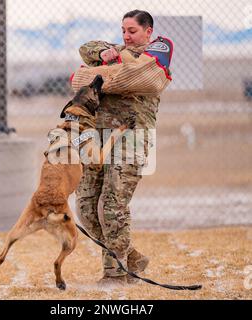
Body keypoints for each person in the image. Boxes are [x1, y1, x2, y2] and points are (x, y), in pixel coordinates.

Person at [76, 9, 160, 285]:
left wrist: (100, 74)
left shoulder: (155, 56)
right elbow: (85, 49)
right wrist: (103, 56)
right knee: (87, 207)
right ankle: (131, 256)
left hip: (132, 137)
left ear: (148, 31)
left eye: (132, 31)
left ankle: (115, 273)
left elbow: (133, 77)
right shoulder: (115, 50)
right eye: (123, 30)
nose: (126, 35)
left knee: (111, 205)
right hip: (98, 137)